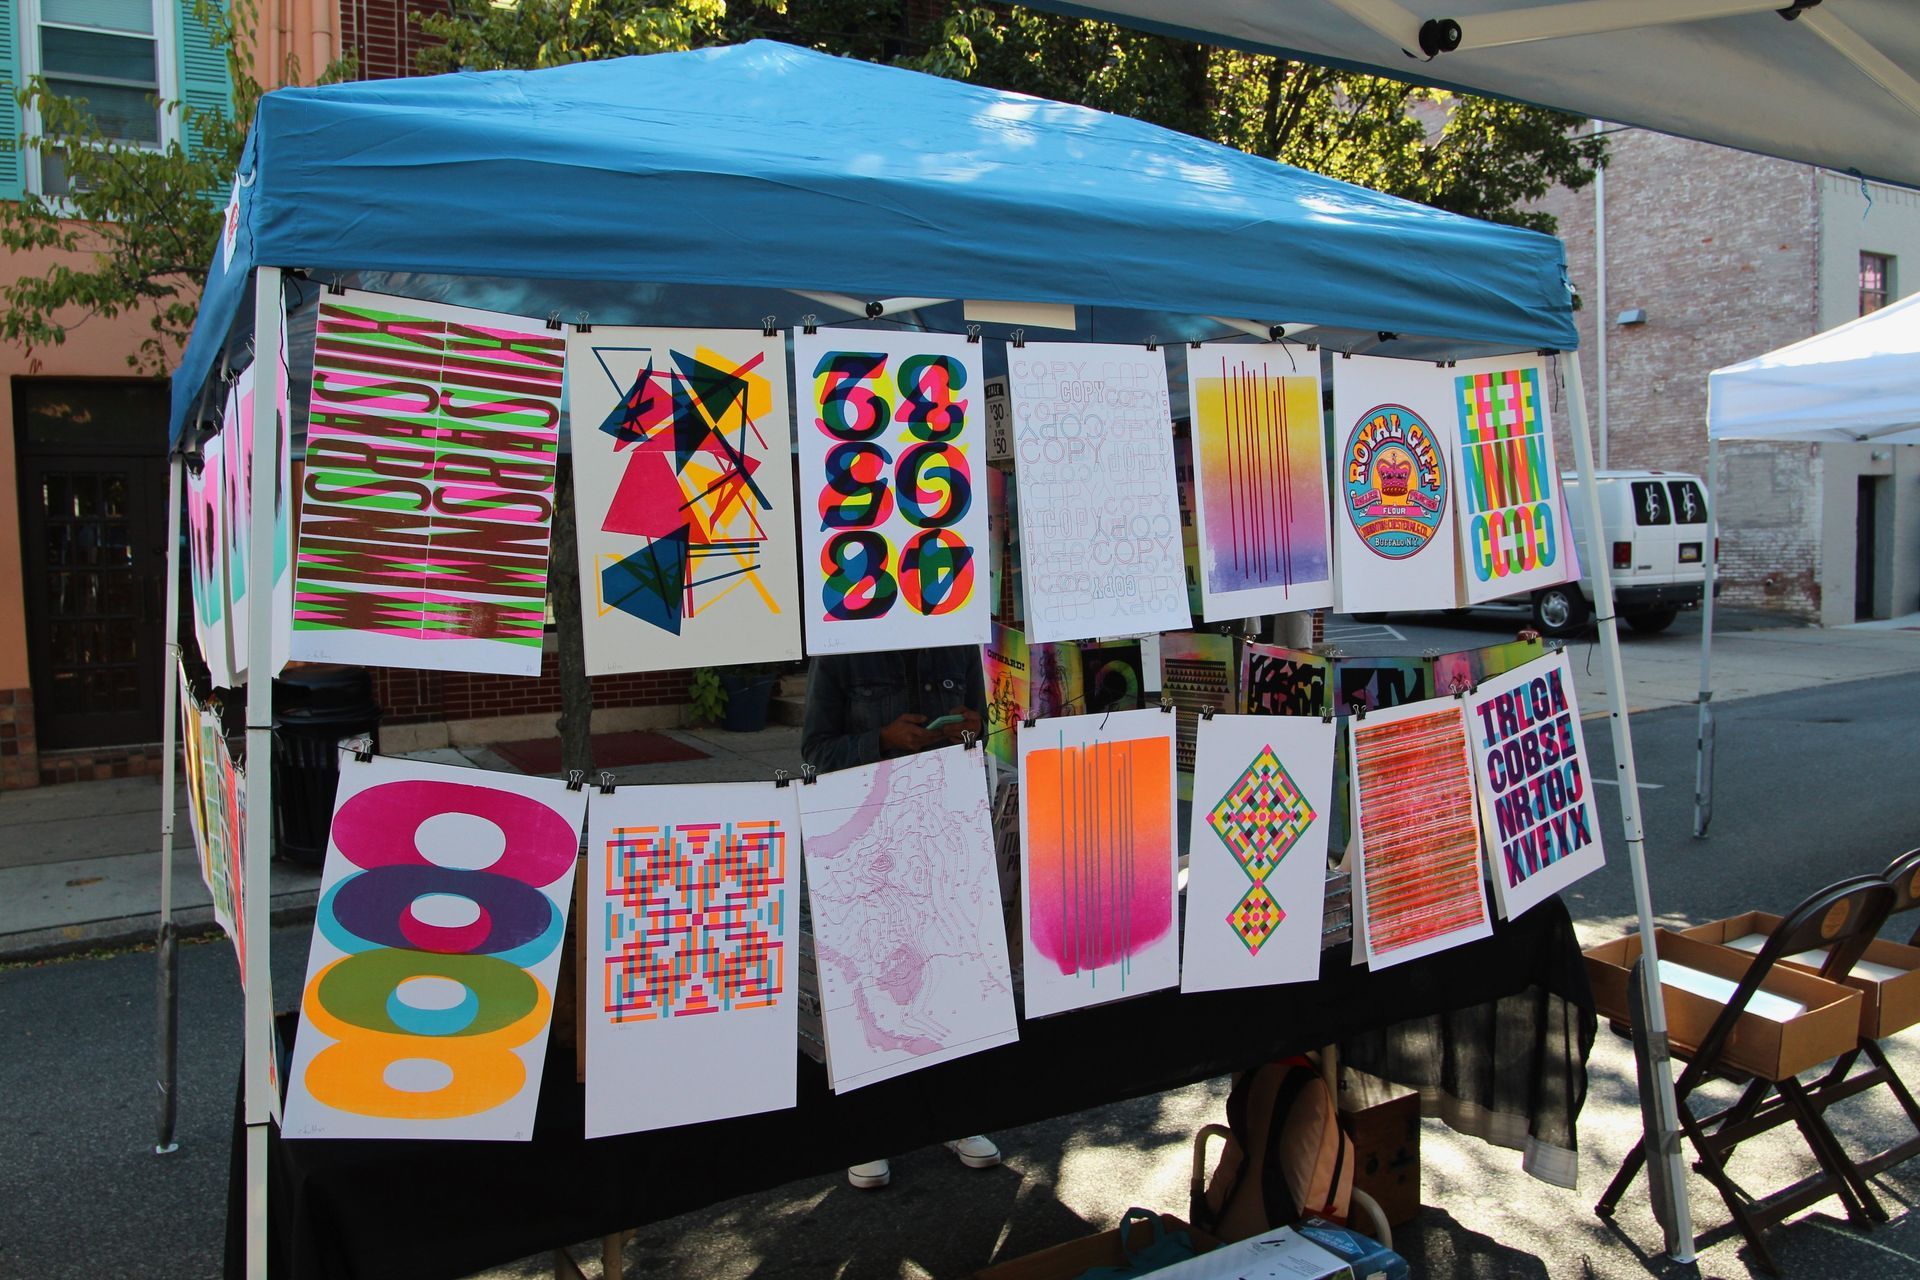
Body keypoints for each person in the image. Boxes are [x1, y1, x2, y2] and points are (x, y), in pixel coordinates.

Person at [800, 645, 1002, 1190]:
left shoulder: (956, 642)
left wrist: (968, 728)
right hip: (865, 843)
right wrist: (881, 741)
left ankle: (956, 1119)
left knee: (950, 977)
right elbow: (812, 754)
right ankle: (870, 1133)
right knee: (868, 987)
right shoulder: (841, 651)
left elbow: (979, 736)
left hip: (940, 829)